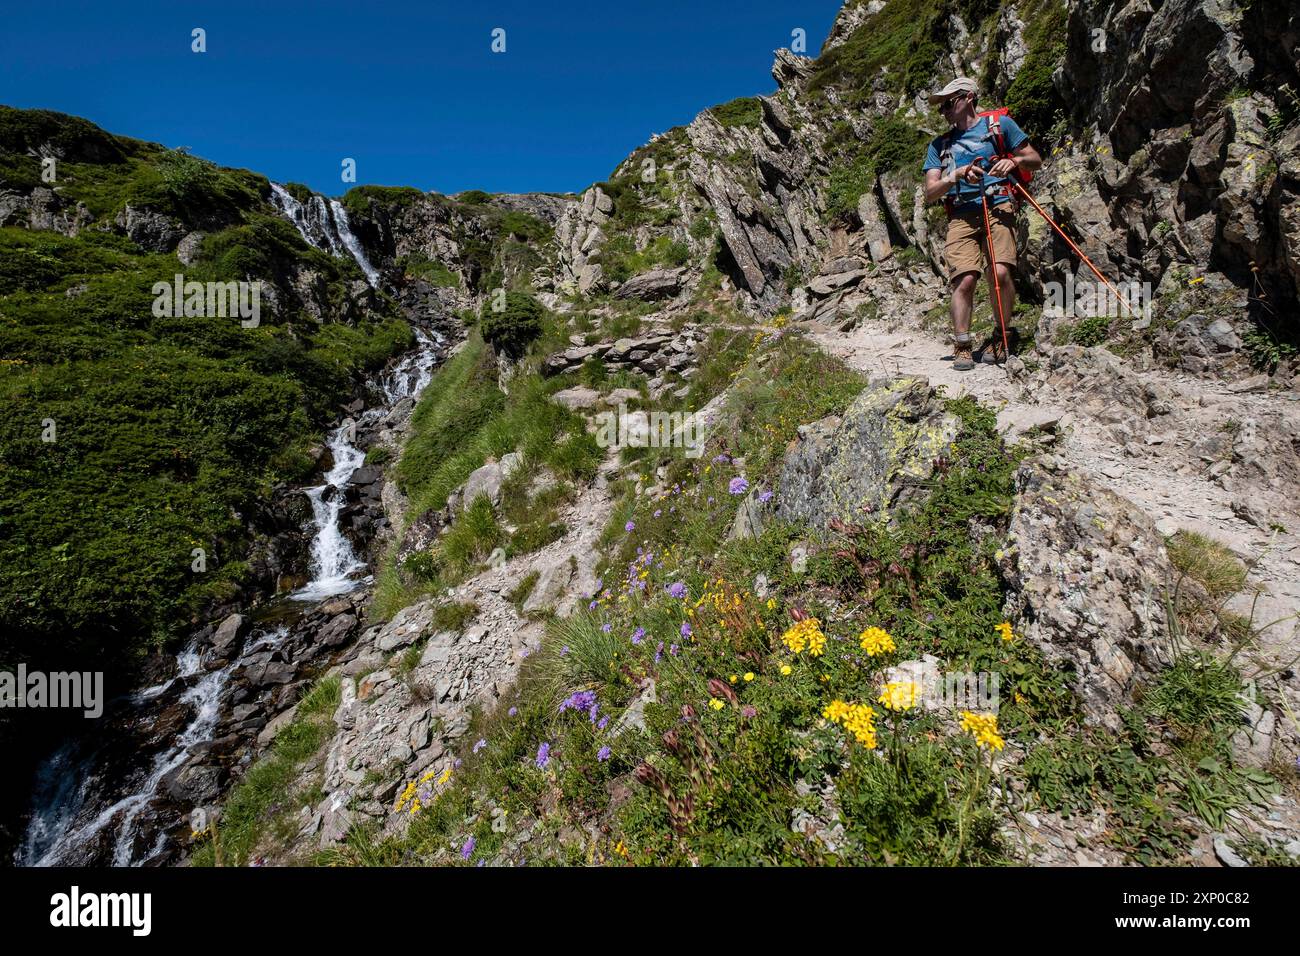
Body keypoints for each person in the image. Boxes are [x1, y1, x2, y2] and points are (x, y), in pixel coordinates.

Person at [922, 77, 1042, 369]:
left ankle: (1002, 335)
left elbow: (1035, 159)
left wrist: (1014, 162)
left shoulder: (1000, 127)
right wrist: (955, 176)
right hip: (961, 214)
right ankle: (962, 343)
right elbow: (929, 193)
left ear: (969, 97)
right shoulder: (939, 145)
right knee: (964, 279)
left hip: (998, 205)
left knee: (1000, 273)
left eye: (949, 103)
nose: (945, 112)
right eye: (942, 108)